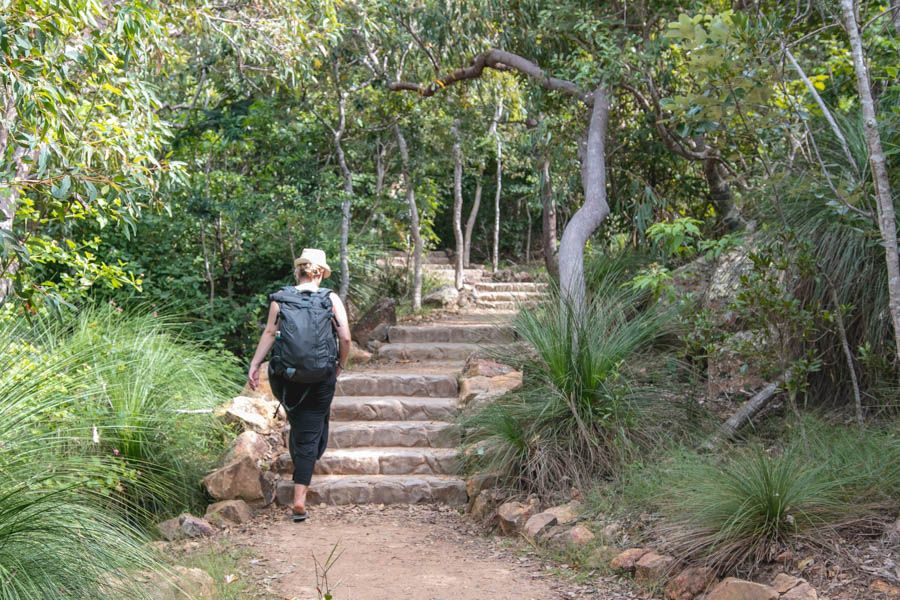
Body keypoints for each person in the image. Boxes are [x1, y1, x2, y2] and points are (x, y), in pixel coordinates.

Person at [247, 248, 351, 521]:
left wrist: (255, 364)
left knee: (302, 425)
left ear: (299, 271)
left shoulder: (281, 299)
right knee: (309, 432)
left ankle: (307, 452)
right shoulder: (331, 298)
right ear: (321, 273)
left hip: (286, 377)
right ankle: (299, 501)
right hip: (321, 375)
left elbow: (270, 333)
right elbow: (346, 338)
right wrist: (340, 365)